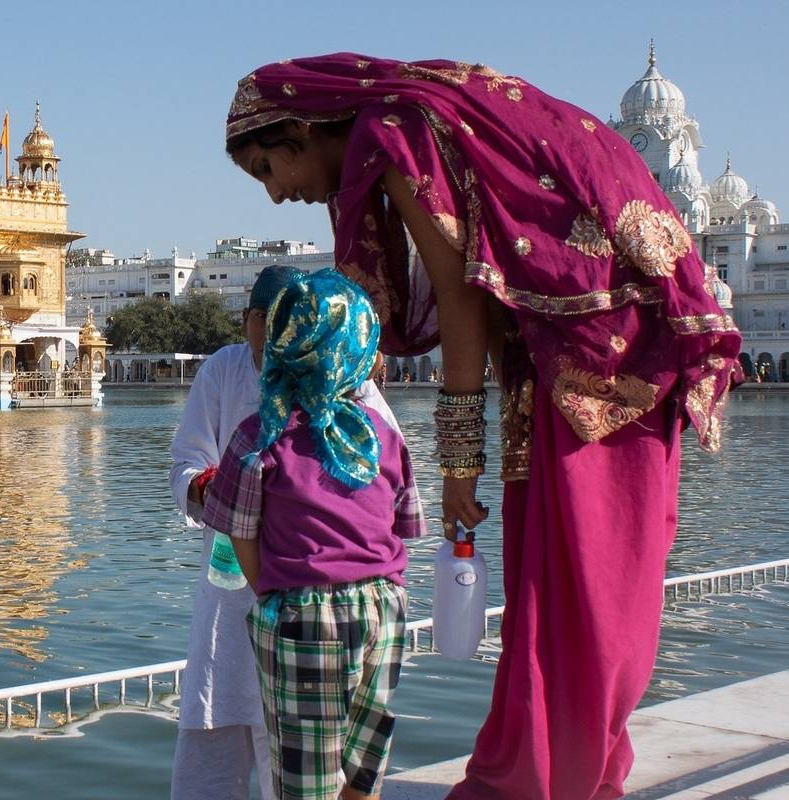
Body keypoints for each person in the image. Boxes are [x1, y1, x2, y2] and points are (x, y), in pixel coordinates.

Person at [225, 54, 741, 799]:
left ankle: (540, 778)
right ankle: (564, 772)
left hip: (594, 352)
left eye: (268, 168)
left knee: (586, 585)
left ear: (304, 128)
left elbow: (462, 300)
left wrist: (458, 463)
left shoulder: (394, 130)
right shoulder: (419, 117)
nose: (278, 195)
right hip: (599, 346)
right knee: (585, 583)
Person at [168, 265, 402, 800]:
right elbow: (185, 462)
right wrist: (212, 488)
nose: (272, 342)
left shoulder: (343, 374)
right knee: (216, 723)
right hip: (236, 592)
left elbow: (385, 475)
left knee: (306, 753)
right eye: (263, 325)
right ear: (248, 319)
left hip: (314, 594)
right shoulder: (223, 370)